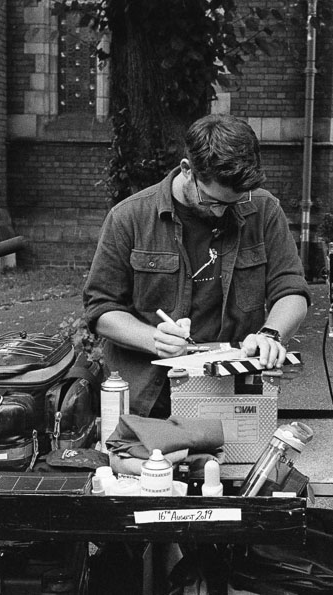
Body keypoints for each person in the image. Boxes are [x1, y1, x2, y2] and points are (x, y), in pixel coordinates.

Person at [83, 114, 310, 418]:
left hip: (236, 394)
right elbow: (101, 309)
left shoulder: (263, 208)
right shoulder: (129, 217)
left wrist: (271, 334)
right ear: (187, 170)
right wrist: (155, 340)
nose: (221, 213)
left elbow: (291, 290)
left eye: (234, 202)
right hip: (147, 400)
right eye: (214, 201)